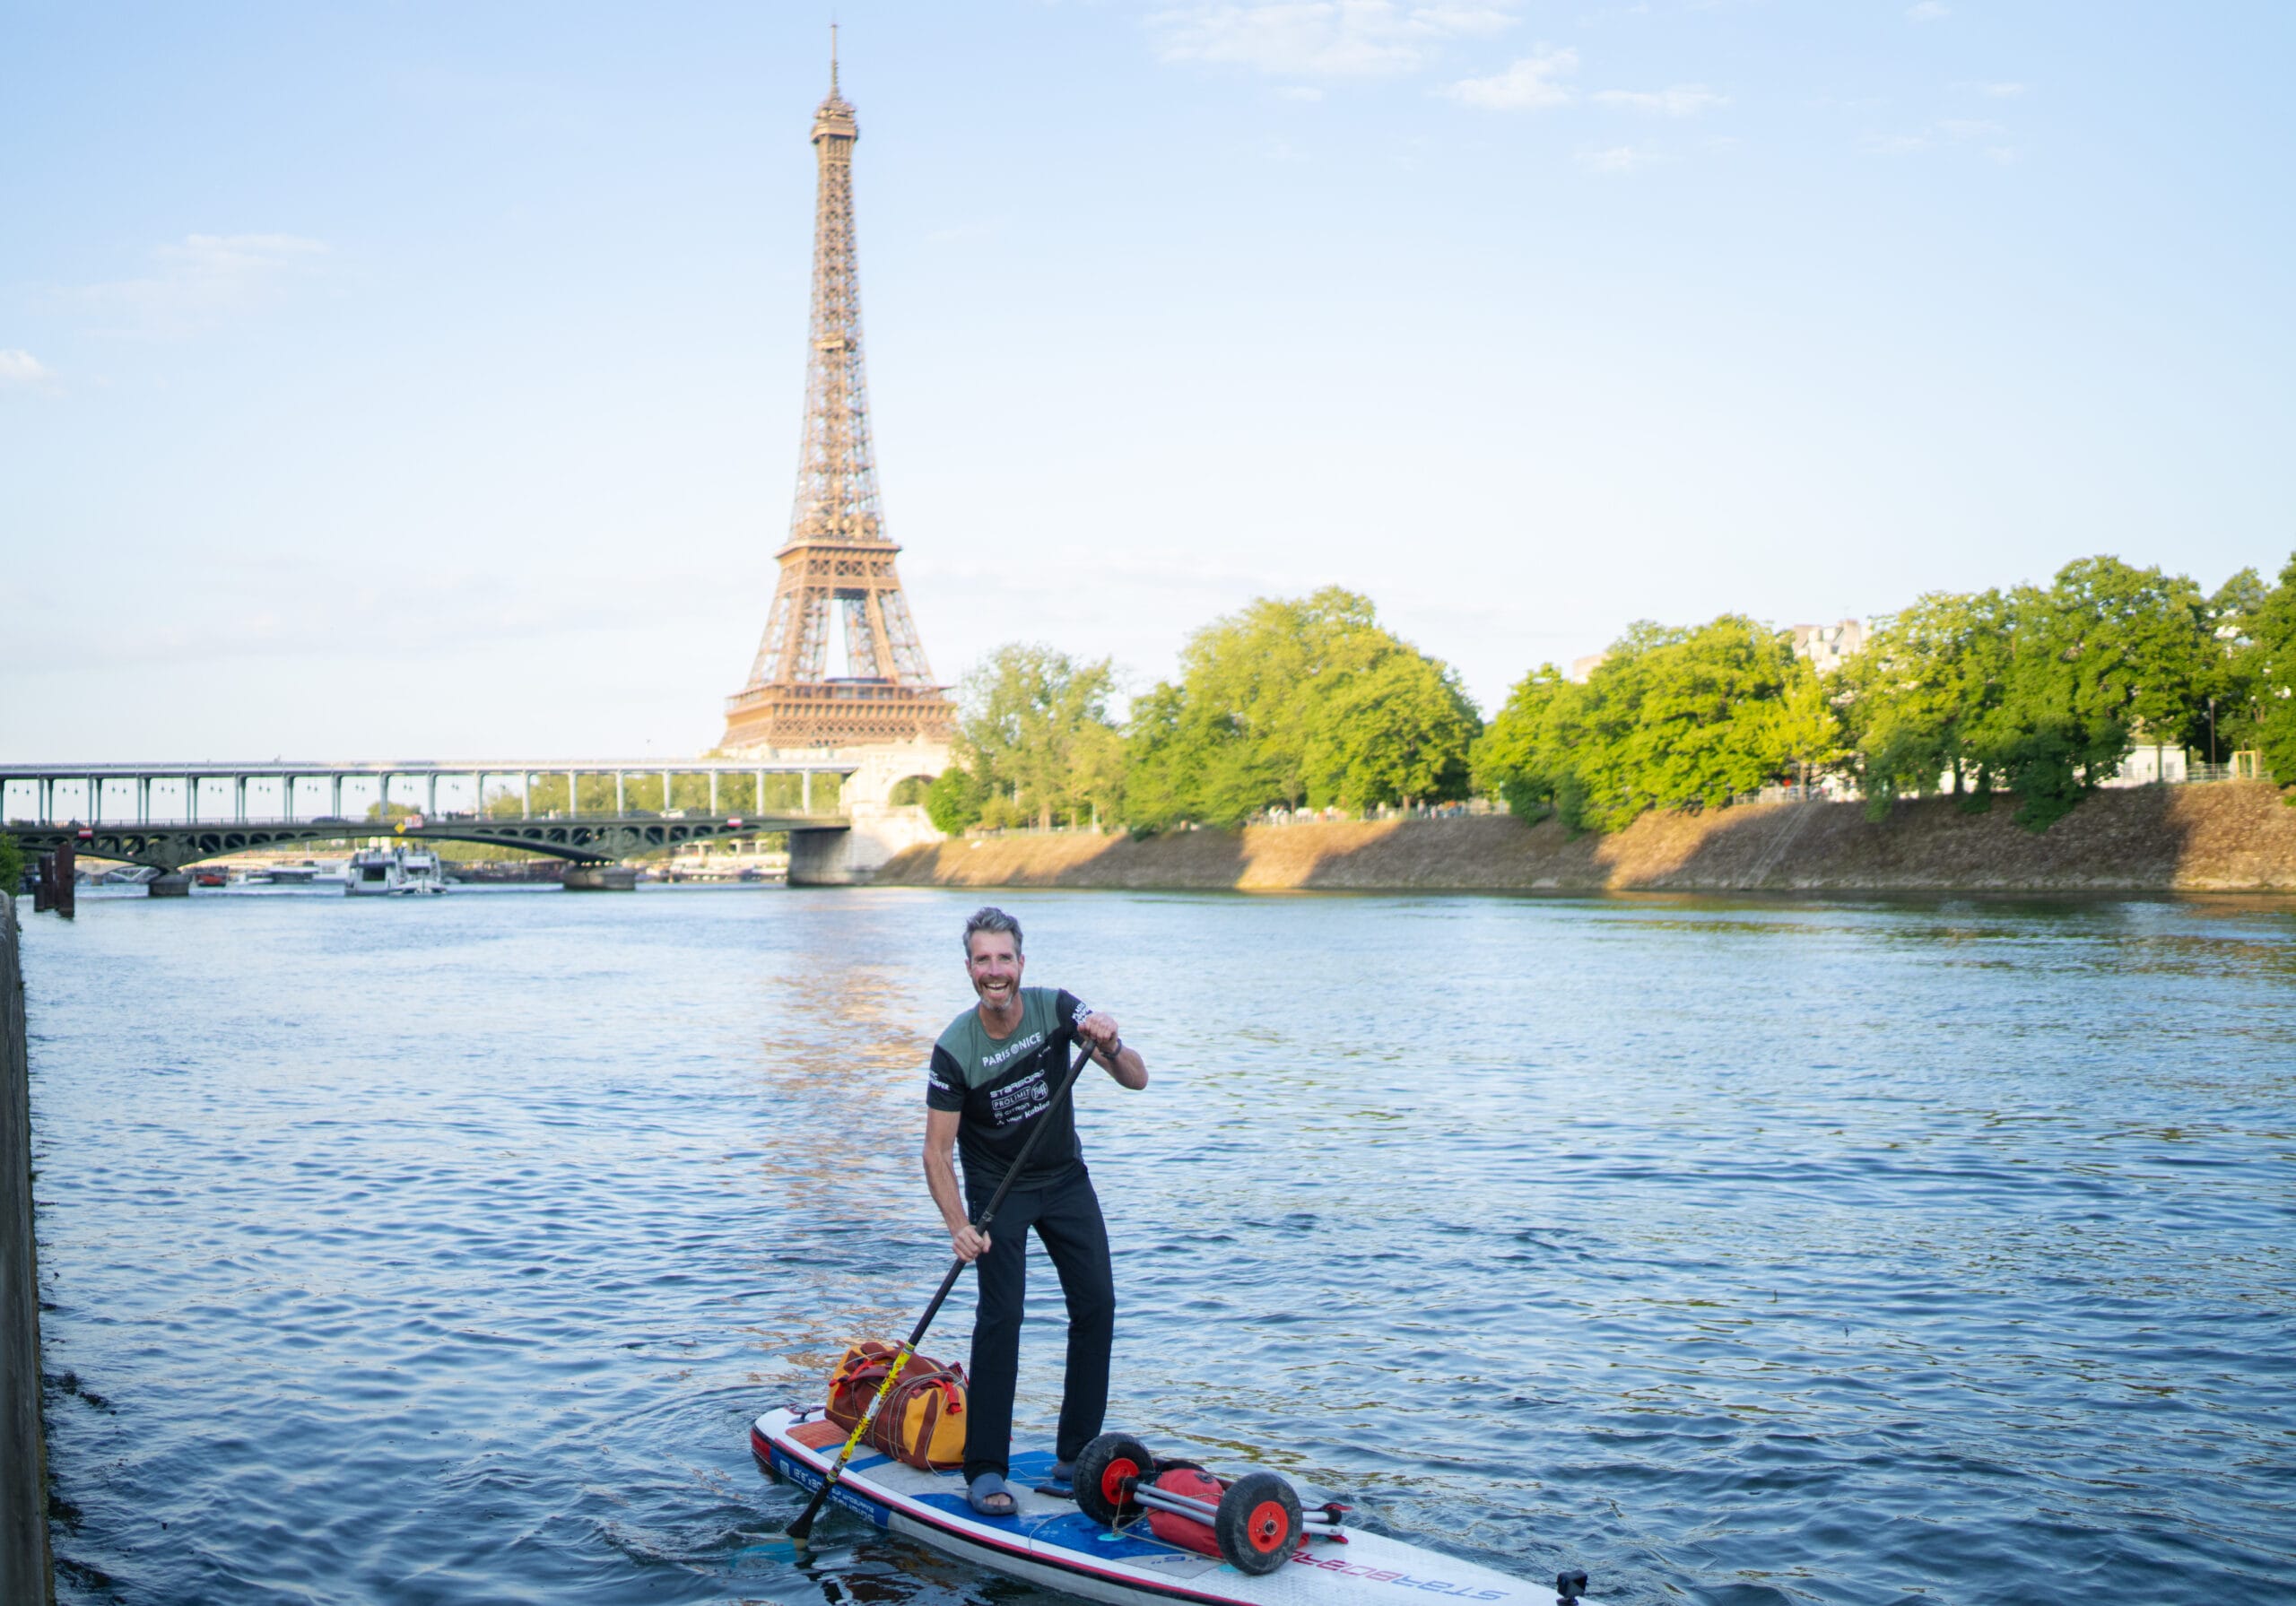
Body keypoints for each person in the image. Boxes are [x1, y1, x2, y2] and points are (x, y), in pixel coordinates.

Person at [924, 906, 1148, 1518]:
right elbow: (936, 1153)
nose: (994, 971)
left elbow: (1136, 1078)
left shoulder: (1056, 1009)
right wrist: (958, 1227)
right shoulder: (954, 1048)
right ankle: (986, 1466)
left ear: (1021, 963)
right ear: (969, 967)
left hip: (1065, 1180)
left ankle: (1076, 1458)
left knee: (1097, 1302)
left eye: (1004, 958)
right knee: (1003, 1316)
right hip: (1001, 1192)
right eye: (982, 959)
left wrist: (1111, 1040)